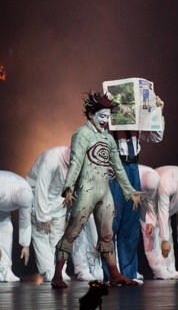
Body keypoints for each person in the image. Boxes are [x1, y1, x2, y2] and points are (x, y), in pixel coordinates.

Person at [51, 91, 141, 289]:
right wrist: (68, 187)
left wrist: (129, 191)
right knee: (73, 231)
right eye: (102, 116)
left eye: (107, 117)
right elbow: (75, 162)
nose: (105, 121)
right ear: (91, 115)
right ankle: (57, 274)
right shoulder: (82, 134)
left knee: (107, 235)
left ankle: (115, 274)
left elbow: (117, 167)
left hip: (104, 191)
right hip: (86, 190)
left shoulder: (108, 139)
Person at [108, 94, 164, 283]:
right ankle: (109, 273)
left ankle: (128, 274)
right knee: (111, 222)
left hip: (132, 167)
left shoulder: (136, 122)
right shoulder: (108, 120)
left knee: (131, 224)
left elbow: (156, 136)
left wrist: (157, 111)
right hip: (115, 168)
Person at [25, 146, 102, 284]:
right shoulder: (53, 158)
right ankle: (48, 270)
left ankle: (59, 270)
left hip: (58, 198)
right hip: (38, 196)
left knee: (58, 234)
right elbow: (41, 186)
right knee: (41, 234)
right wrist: (43, 215)